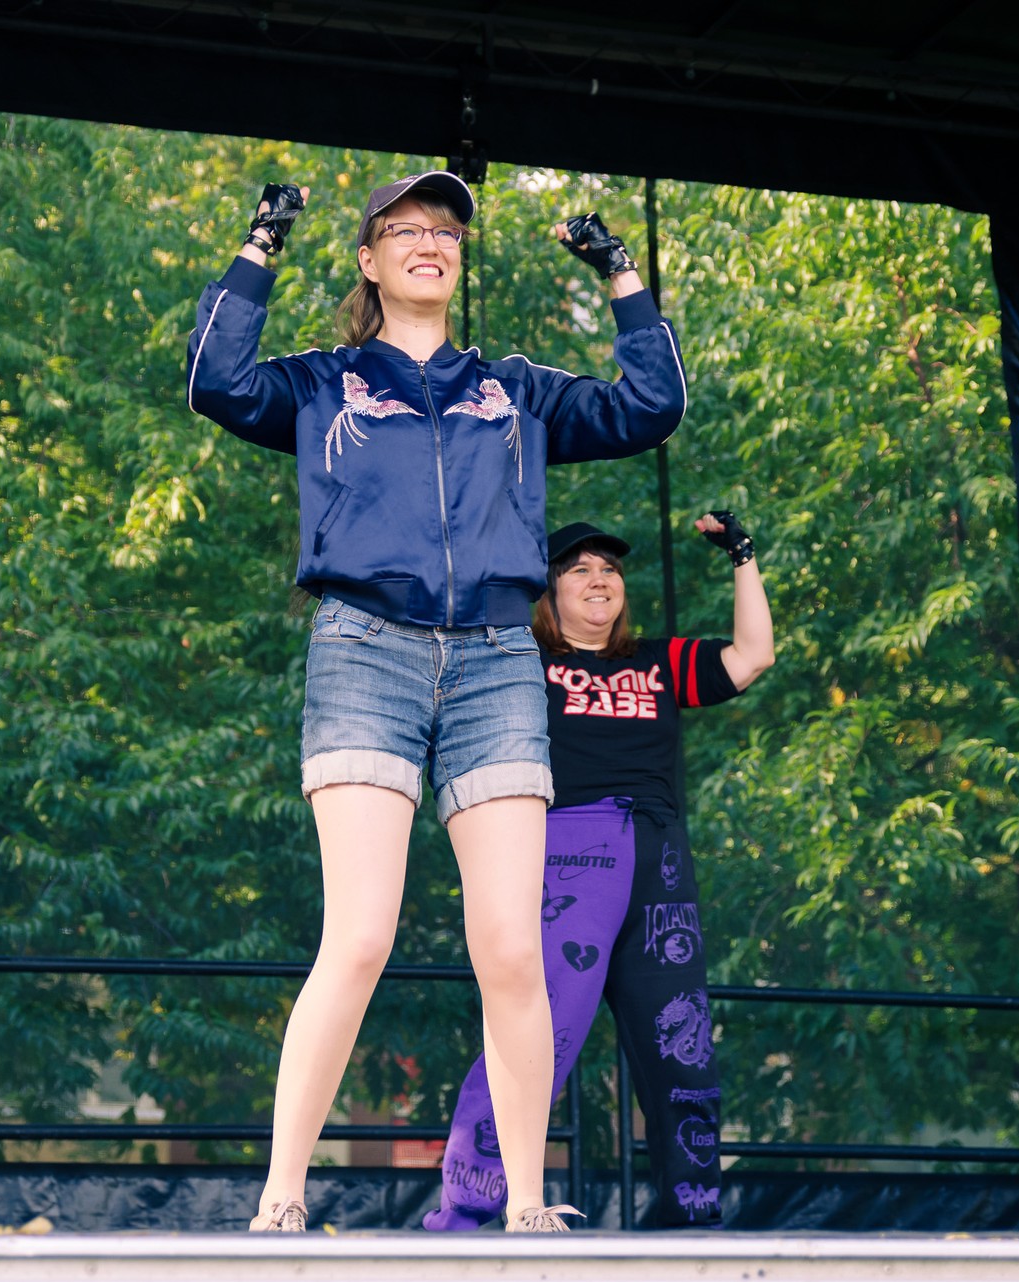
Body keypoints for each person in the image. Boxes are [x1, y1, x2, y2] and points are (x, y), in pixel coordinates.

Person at [186, 173, 687, 1232]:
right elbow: (214, 380)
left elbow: (651, 407)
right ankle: (281, 1197)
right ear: (369, 262)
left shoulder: (514, 389)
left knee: (510, 947)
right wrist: (260, 247)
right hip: (365, 651)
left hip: (498, 659)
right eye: (406, 229)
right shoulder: (322, 382)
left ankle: (527, 1206)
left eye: (448, 231)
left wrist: (620, 274)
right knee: (360, 936)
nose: (431, 242)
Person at [424, 514, 775, 1231]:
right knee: (539, 1034)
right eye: (578, 569)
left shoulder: (656, 661)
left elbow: (752, 656)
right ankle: (468, 1209)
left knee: (681, 1040)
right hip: (566, 851)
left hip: (658, 858)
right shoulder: (522, 660)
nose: (599, 579)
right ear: (549, 591)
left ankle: (691, 1214)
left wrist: (743, 555)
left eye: (609, 569)